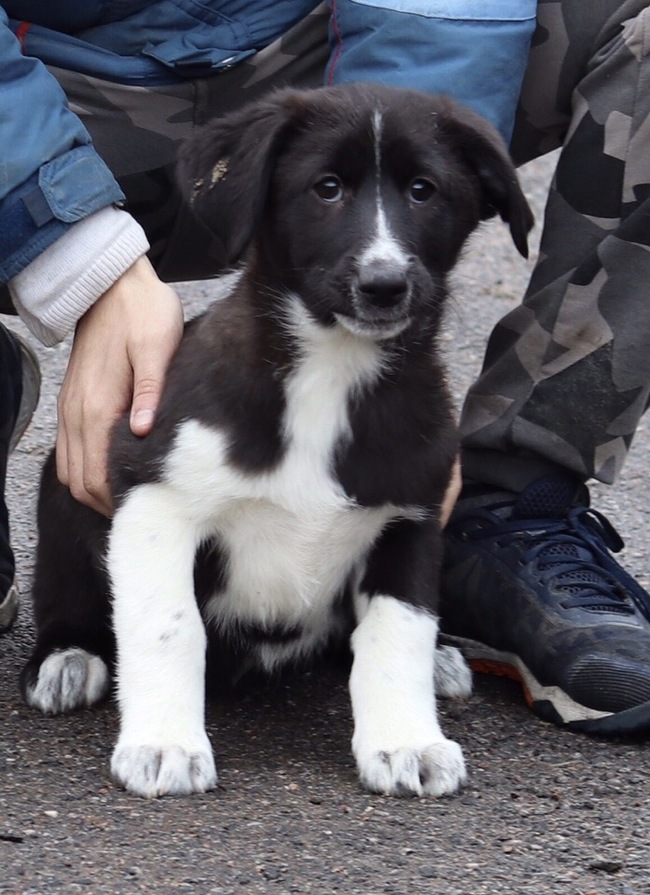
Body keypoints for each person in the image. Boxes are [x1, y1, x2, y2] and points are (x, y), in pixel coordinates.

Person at [1, 1, 649, 734]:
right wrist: (84, 261)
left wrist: (400, 160)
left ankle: (501, 514)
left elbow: (441, 30)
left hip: (314, 51)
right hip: (52, 87)